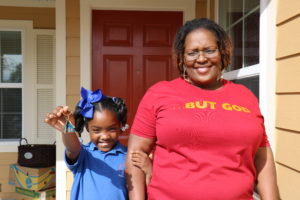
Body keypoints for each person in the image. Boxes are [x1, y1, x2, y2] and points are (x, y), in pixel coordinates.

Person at [125, 18, 279, 200]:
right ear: (182, 58)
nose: (201, 59)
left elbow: (262, 156)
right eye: (192, 53)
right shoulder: (160, 93)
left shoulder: (245, 96)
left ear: (222, 52)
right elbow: (136, 153)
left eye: (209, 50)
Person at [45, 87, 129, 200]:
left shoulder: (129, 155)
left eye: (111, 129)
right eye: (96, 130)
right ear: (88, 128)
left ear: (120, 127)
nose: (105, 136)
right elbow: (72, 149)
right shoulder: (84, 154)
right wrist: (67, 127)